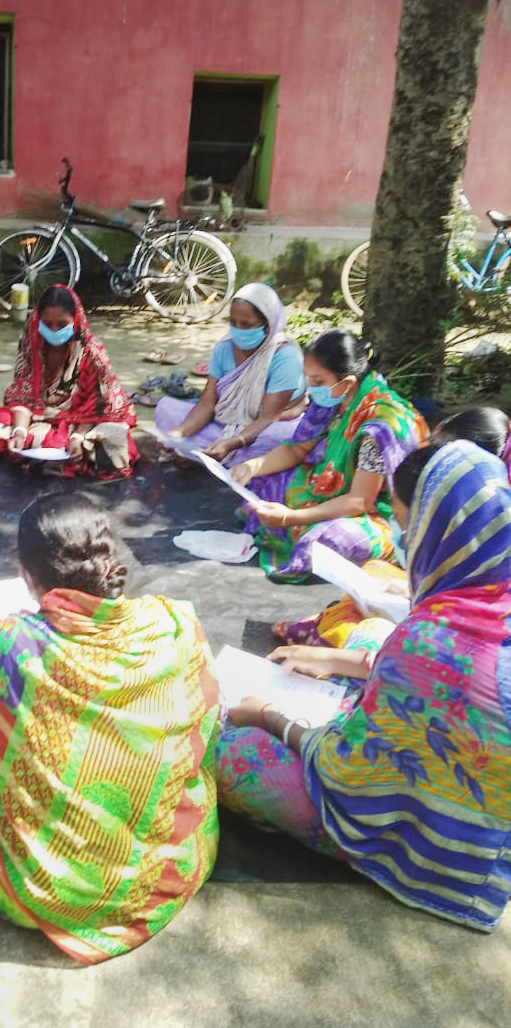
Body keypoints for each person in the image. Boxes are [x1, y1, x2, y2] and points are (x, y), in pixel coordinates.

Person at [0, 493, 220, 963]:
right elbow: (207, 726)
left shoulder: (7, 643)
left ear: (25, 573)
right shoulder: (177, 623)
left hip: (39, 893)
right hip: (169, 872)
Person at [216, 441, 511, 932]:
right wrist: (335, 659)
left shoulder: (428, 640)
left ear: (436, 529)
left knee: (234, 753)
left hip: (436, 851)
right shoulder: (486, 598)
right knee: (373, 631)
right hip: (492, 821)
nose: (401, 539)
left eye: (405, 525)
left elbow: (344, 773)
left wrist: (269, 716)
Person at [273, 404, 511, 650]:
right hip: (434, 609)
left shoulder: (479, 532)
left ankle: (330, 634)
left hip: (443, 641)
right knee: (376, 572)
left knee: (371, 629)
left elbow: (450, 632)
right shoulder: (481, 513)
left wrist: (413, 605)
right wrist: (412, 592)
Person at [230, 329, 427, 582]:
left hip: (385, 513)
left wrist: (291, 517)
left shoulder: (379, 428)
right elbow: (298, 448)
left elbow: (360, 501)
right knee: (259, 484)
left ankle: (296, 530)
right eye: (308, 379)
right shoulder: (332, 399)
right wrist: (253, 466)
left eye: (318, 381)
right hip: (332, 487)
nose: (311, 389)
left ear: (347, 383)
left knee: (328, 540)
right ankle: (291, 525)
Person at [0, 285, 138, 479]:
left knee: (115, 438)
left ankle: (55, 450)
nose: (53, 330)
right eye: (47, 324)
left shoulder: (92, 352)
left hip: (86, 421)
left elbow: (97, 408)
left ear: (75, 320)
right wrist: (19, 431)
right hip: (42, 416)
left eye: (61, 324)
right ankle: (46, 447)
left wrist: (77, 438)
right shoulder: (32, 343)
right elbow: (23, 396)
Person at [154, 282, 306, 464]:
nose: (237, 330)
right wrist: (178, 433)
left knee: (284, 436)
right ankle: (217, 456)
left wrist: (234, 442)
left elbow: (268, 418)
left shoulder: (284, 357)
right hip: (225, 421)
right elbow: (207, 404)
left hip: (262, 428)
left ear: (267, 325)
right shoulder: (224, 348)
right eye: (232, 323)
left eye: (246, 324)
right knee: (166, 408)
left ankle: (212, 455)